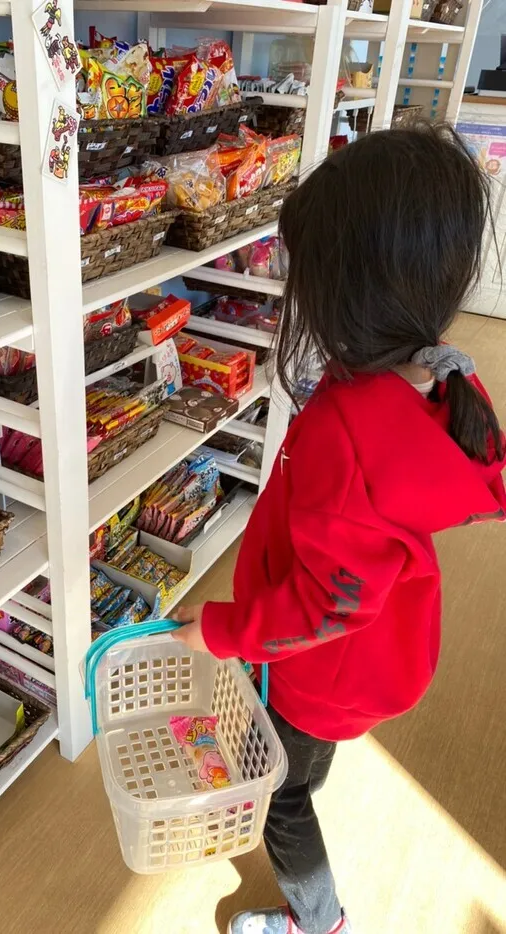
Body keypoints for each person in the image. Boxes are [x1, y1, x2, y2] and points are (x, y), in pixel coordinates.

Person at [173, 124, 506, 934]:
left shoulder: (340, 432)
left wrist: (216, 631)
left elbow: (322, 609)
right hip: (379, 652)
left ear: (352, 290)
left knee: (283, 797)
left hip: (321, 671)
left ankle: (316, 921)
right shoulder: (433, 371)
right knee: (303, 769)